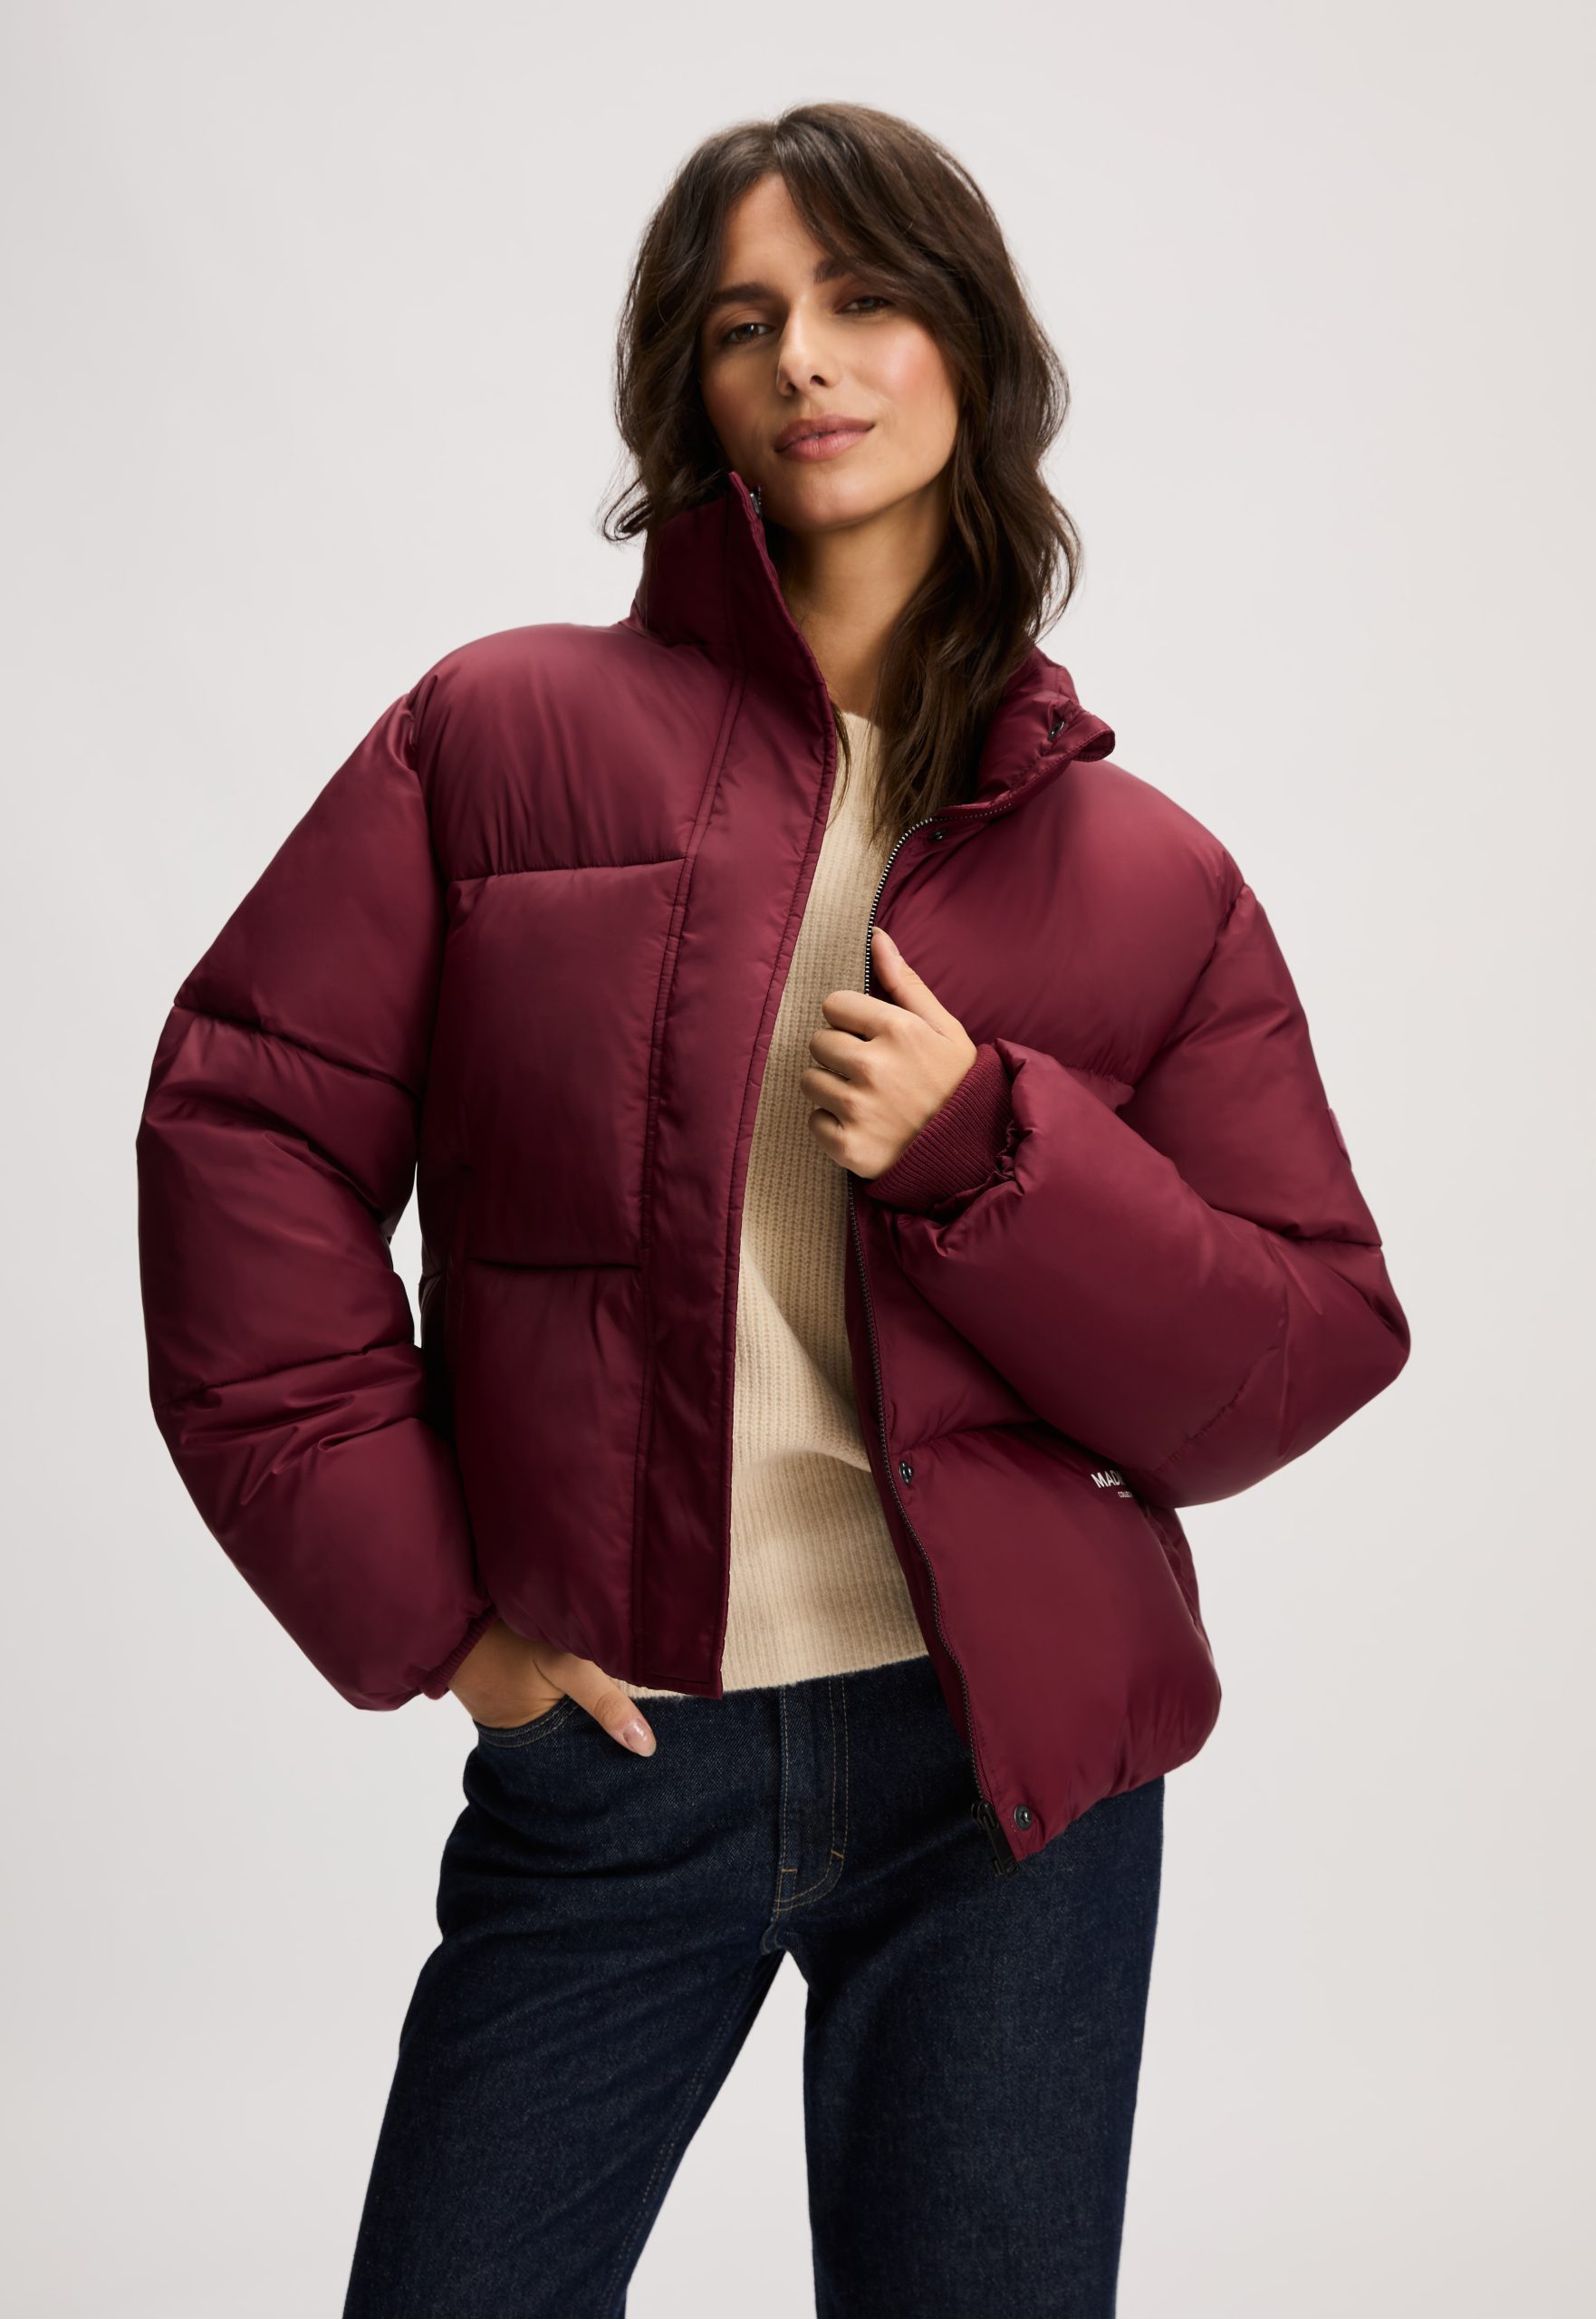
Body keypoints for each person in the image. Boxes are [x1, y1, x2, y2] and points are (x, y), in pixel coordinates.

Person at [134, 101, 1411, 2318]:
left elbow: (1297, 1344)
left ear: (966, 348)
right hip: (618, 1748)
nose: (804, 357)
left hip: (1003, 1769)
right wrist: (442, 1622)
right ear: (689, 387)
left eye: (860, 298)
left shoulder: (1146, 877)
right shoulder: (494, 734)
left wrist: (987, 1151)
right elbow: (245, 1128)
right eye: (743, 322)